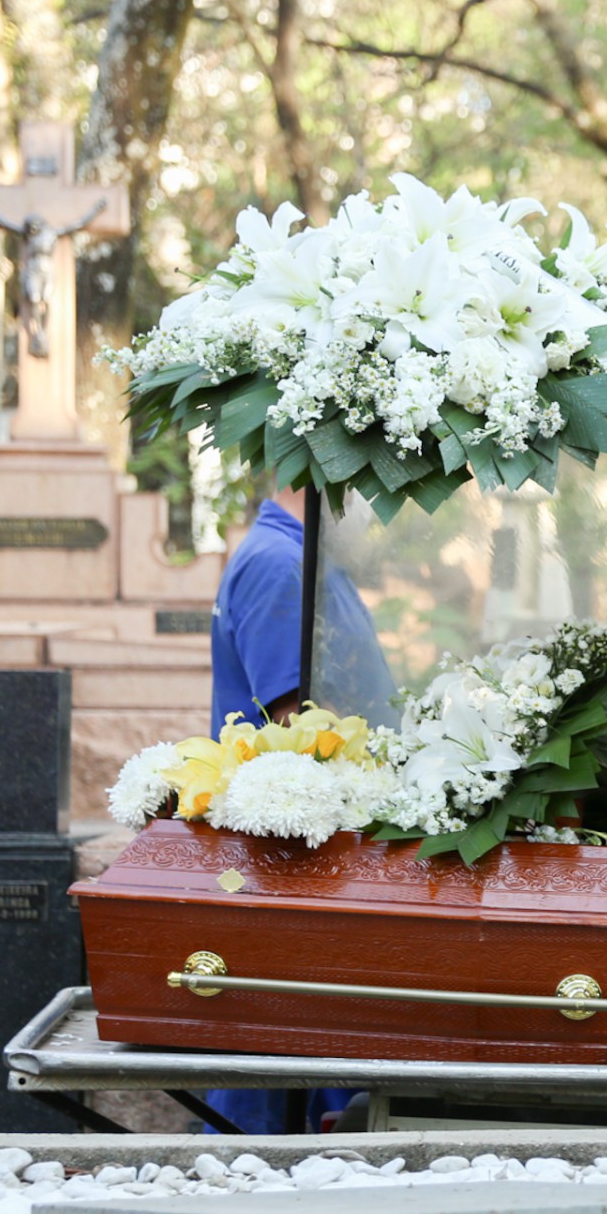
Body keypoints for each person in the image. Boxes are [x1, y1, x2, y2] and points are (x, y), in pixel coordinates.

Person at [203, 483, 391, 1134]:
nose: (376, 503)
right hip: (287, 854)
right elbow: (300, 723)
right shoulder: (278, 565)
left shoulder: (309, 560)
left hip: (319, 849)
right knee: (265, 1058)